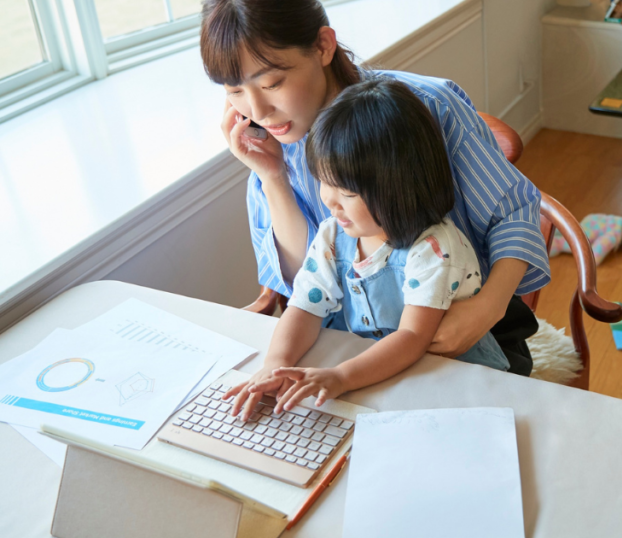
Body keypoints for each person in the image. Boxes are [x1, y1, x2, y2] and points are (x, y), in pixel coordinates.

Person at [199, 0, 546, 389]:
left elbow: (515, 211)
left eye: (271, 84)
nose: (258, 110)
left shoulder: (426, 106)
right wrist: (273, 177)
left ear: (323, 46)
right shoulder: (270, 148)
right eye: (234, 92)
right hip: (349, 339)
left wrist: (488, 307)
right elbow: (306, 282)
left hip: (460, 332)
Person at [226, 77, 509, 417]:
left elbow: (412, 338)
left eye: (346, 193)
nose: (330, 202)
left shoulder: (433, 248)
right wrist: (275, 364)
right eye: (324, 183)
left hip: (452, 377)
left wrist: (340, 376)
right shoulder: (334, 235)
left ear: (399, 187)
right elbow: (303, 307)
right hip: (377, 371)